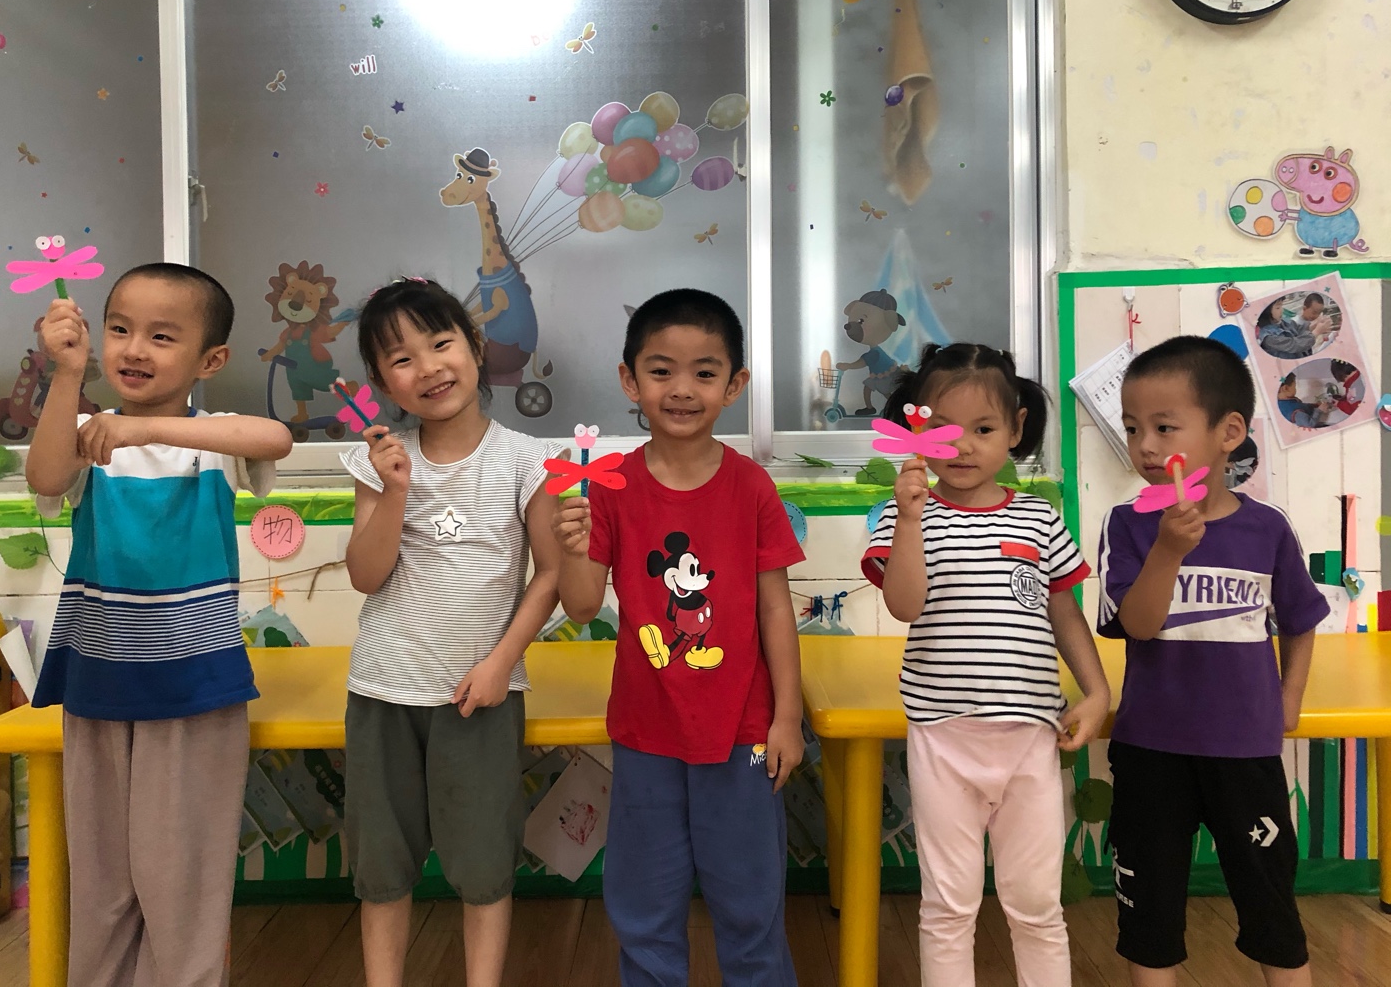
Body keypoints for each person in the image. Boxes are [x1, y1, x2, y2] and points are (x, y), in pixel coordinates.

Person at [25, 264, 294, 987]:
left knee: (181, 883)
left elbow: (274, 437)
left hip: (194, 689)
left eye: (162, 336)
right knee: (101, 883)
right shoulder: (85, 434)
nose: (134, 348)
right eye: (119, 329)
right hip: (97, 686)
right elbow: (46, 477)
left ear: (211, 360)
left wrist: (139, 426)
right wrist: (67, 375)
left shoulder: (210, 440)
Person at [554, 289, 804, 986]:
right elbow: (581, 606)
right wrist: (571, 545)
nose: (682, 389)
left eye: (704, 372)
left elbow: (775, 609)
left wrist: (787, 717)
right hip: (645, 732)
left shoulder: (752, 487)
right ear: (629, 380)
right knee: (644, 910)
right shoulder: (607, 488)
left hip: (745, 731)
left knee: (751, 908)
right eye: (661, 370)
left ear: (735, 384)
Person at [861, 342, 1109, 987]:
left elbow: (1063, 612)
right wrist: (909, 518)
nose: (965, 447)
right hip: (943, 737)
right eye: (946, 431)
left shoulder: (1039, 518)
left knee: (1037, 906)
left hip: (1030, 737)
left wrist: (1098, 692)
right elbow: (904, 605)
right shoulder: (904, 516)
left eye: (984, 429)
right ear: (917, 429)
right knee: (949, 907)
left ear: (1016, 429)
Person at [339, 277, 562, 987]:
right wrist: (395, 489)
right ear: (383, 382)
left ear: (476, 347)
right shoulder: (379, 462)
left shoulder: (526, 459)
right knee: (382, 869)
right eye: (402, 359)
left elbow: (551, 575)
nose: (429, 367)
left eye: (441, 344)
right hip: (383, 691)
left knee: (484, 866)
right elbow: (365, 575)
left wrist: (502, 663)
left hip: (481, 696)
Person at [1100, 335, 1327, 987]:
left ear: (1229, 433)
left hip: (1245, 752)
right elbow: (1137, 626)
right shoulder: (1127, 524)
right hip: (1151, 750)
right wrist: (1168, 551)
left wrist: (1289, 698)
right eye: (1133, 428)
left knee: (1270, 902)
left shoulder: (1268, 529)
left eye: (1164, 427)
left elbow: (1301, 620)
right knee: (1149, 912)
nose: (1145, 446)